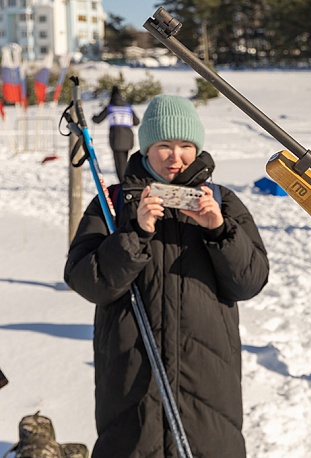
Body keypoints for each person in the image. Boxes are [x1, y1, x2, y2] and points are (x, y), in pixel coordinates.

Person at [64, 95, 270, 457]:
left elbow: (249, 281)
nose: (176, 157)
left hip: (207, 382)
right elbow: (87, 281)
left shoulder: (222, 202)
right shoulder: (112, 204)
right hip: (131, 382)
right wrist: (135, 233)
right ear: (146, 148)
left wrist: (219, 232)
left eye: (186, 146)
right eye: (164, 146)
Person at [92, 85, 140, 182]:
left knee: (119, 164)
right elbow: (136, 122)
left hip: (116, 139)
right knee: (125, 162)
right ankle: (126, 180)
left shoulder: (111, 107)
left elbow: (98, 120)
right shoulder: (128, 107)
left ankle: (122, 183)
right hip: (128, 138)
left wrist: (94, 117)